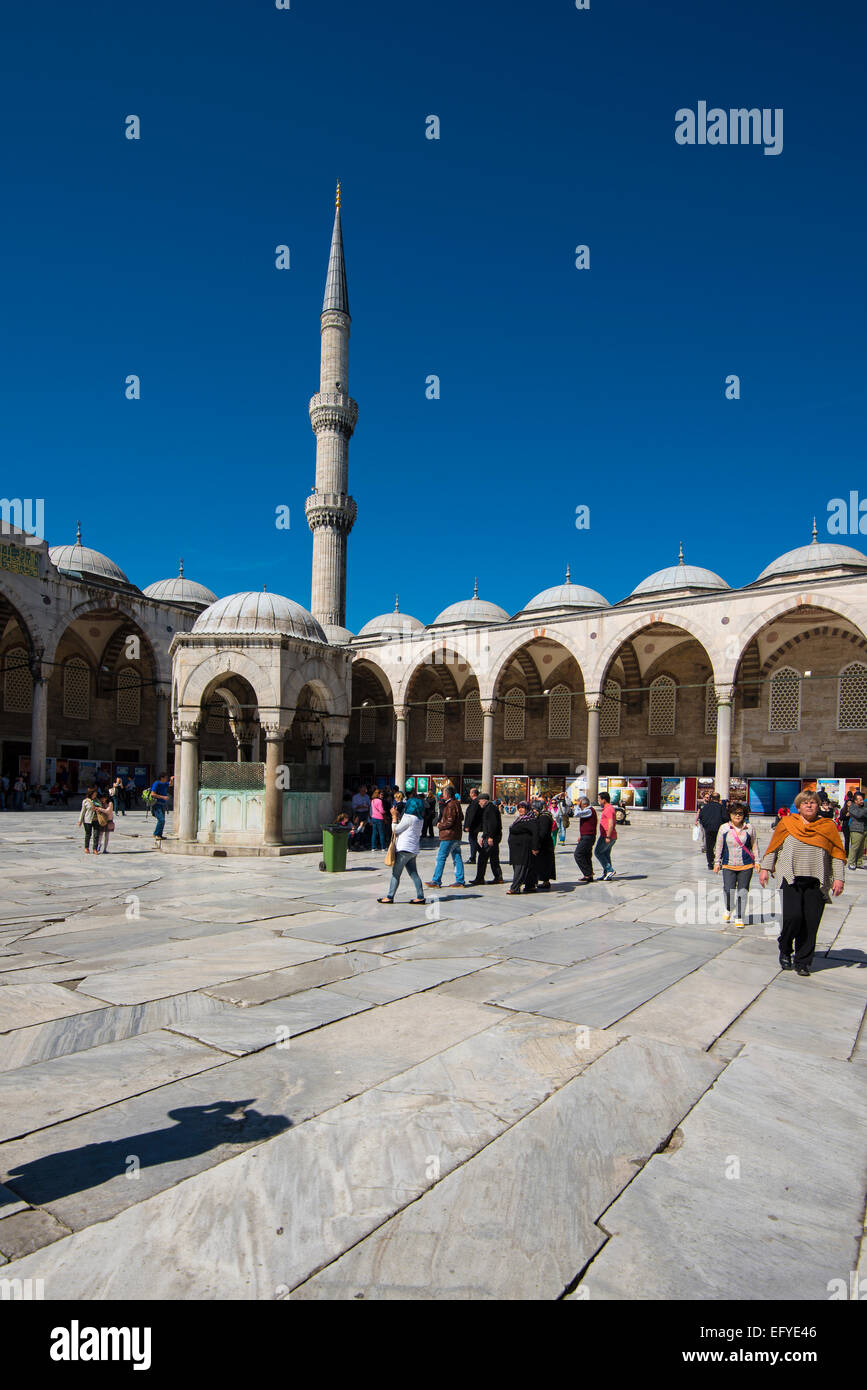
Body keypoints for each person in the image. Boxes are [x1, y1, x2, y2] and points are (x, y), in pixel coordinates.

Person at [759, 790, 845, 976]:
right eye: (804, 803)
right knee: (793, 917)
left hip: (817, 880)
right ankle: (785, 947)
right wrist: (765, 868)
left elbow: (837, 854)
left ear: (818, 805)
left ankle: (803, 961)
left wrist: (839, 877)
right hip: (790, 878)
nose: (809, 805)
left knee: (811, 922)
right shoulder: (788, 823)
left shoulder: (827, 826)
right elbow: (774, 847)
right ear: (798, 807)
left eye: (812, 802)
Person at [713, 803, 760, 926]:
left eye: (740, 813)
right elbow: (718, 846)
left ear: (744, 815)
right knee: (728, 890)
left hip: (746, 865)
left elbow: (754, 845)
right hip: (728, 864)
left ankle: (739, 916)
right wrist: (717, 862)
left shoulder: (749, 828)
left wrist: (757, 861)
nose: (737, 816)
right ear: (730, 814)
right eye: (735, 813)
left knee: (743, 891)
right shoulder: (724, 828)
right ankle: (728, 908)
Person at [377, 795, 426, 904]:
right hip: (413, 850)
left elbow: (395, 829)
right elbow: (406, 827)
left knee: (396, 874)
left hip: (404, 849)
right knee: (414, 874)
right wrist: (399, 817)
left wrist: (394, 817)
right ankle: (420, 896)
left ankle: (389, 896)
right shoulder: (419, 819)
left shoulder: (408, 817)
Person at [426, 784, 466, 889]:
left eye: (443, 793)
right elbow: (461, 817)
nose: (442, 795)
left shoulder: (450, 805)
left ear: (447, 794)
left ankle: (436, 880)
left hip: (448, 835)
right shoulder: (457, 804)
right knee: (457, 857)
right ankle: (460, 880)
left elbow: (450, 821)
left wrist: (440, 825)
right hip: (456, 835)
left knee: (441, 857)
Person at [469, 791, 504, 884]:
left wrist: (490, 837)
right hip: (491, 836)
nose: (479, 803)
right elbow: (487, 825)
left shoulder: (490, 809)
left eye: (480, 801)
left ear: (484, 800)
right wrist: (483, 836)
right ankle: (498, 877)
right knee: (494, 858)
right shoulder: (488, 808)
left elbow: (493, 824)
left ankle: (480, 878)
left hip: (492, 837)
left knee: (482, 857)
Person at [507, 801, 538, 894]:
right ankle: (530, 885)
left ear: (527, 809)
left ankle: (514, 888)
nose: (520, 809)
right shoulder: (520, 819)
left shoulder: (531, 820)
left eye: (523, 808)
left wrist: (535, 847)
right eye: (519, 807)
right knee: (525, 868)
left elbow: (536, 834)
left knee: (520, 868)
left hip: (524, 848)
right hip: (516, 849)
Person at [697, 792, 729, 871]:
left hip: (708, 829)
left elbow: (701, 817)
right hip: (719, 829)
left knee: (709, 847)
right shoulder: (721, 807)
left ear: (711, 798)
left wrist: (706, 825)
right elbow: (725, 818)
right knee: (720, 846)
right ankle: (718, 861)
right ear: (719, 799)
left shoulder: (706, 807)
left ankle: (710, 863)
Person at [573, 797, 598, 883]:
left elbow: (576, 814)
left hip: (589, 836)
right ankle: (588, 875)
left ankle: (588, 873)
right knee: (586, 855)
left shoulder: (589, 810)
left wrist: (577, 806)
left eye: (580, 804)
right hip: (586, 835)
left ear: (584, 804)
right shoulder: (588, 810)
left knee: (578, 854)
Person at [533, 801, 556, 890]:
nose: (534, 810)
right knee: (544, 863)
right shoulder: (545, 815)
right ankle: (544, 881)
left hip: (544, 844)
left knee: (544, 863)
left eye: (535, 808)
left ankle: (545, 882)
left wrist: (537, 843)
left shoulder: (544, 817)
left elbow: (543, 832)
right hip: (546, 843)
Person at [594, 791, 617, 881]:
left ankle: (610, 870)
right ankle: (606, 873)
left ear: (604, 800)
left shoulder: (608, 809)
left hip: (607, 835)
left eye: (599, 799)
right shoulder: (608, 808)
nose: (598, 801)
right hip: (609, 835)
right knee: (606, 854)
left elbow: (610, 824)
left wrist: (608, 836)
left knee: (598, 852)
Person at [846, 791, 867, 869]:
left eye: (862, 799)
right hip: (856, 829)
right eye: (860, 800)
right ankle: (851, 862)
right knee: (855, 847)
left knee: (861, 847)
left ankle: (859, 862)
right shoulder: (852, 807)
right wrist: (864, 811)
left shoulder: (863, 807)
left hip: (864, 829)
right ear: (855, 801)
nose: (862, 801)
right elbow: (859, 814)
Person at [77, 785, 101, 854]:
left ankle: (95, 849)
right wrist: (80, 820)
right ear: (91, 794)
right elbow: (83, 811)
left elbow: (101, 808)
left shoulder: (98, 801)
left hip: (96, 820)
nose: (95, 795)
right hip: (88, 820)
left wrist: (99, 809)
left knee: (96, 834)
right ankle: (86, 847)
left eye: (96, 794)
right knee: (88, 834)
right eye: (94, 794)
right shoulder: (85, 801)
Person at [149, 772, 170, 843]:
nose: (167, 779)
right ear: (162, 778)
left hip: (162, 805)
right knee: (161, 820)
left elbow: (171, 784)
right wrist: (163, 797)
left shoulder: (165, 784)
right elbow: (153, 794)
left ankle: (159, 835)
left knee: (162, 820)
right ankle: (156, 834)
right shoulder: (156, 783)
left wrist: (172, 779)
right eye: (166, 777)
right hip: (156, 804)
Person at [464, 787, 483, 866]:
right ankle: (483, 853)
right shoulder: (475, 802)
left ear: (474, 794)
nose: (469, 794)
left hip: (474, 825)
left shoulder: (475, 802)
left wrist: (468, 825)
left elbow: (472, 815)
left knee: (472, 840)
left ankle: (473, 857)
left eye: (471, 792)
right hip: (475, 825)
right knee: (473, 840)